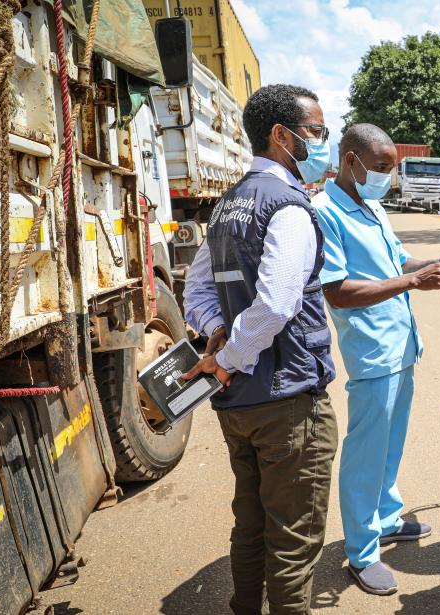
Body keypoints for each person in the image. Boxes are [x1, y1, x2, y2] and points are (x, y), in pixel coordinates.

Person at [181, 84, 338, 615]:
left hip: (239, 405)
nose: (321, 142)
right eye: (316, 132)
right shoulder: (289, 207)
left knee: (250, 526)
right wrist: (225, 357)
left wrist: (216, 332)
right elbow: (275, 306)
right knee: (293, 541)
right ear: (281, 136)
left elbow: (195, 288)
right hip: (288, 401)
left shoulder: (226, 206)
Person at [312, 123, 440, 596]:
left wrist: (434, 266)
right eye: (380, 168)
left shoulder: (372, 205)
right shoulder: (324, 212)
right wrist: (413, 283)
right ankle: (361, 552)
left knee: (390, 444)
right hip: (371, 351)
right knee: (366, 451)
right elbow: (338, 292)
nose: (386, 177)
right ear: (349, 161)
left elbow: (397, 263)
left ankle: (386, 518)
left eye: (390, 170)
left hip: (401, 344)